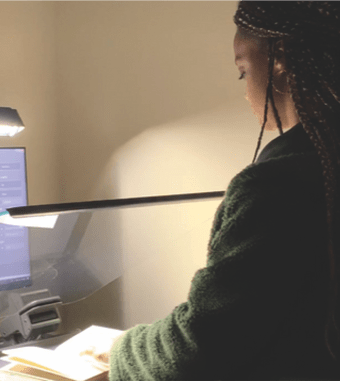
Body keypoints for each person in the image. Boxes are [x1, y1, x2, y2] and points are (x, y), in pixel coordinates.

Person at [80, 1, 340, 379]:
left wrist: (120, 351)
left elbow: (204, 346)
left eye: (242, 71)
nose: (245, 90)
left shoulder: (277, 186)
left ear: (280, 57)